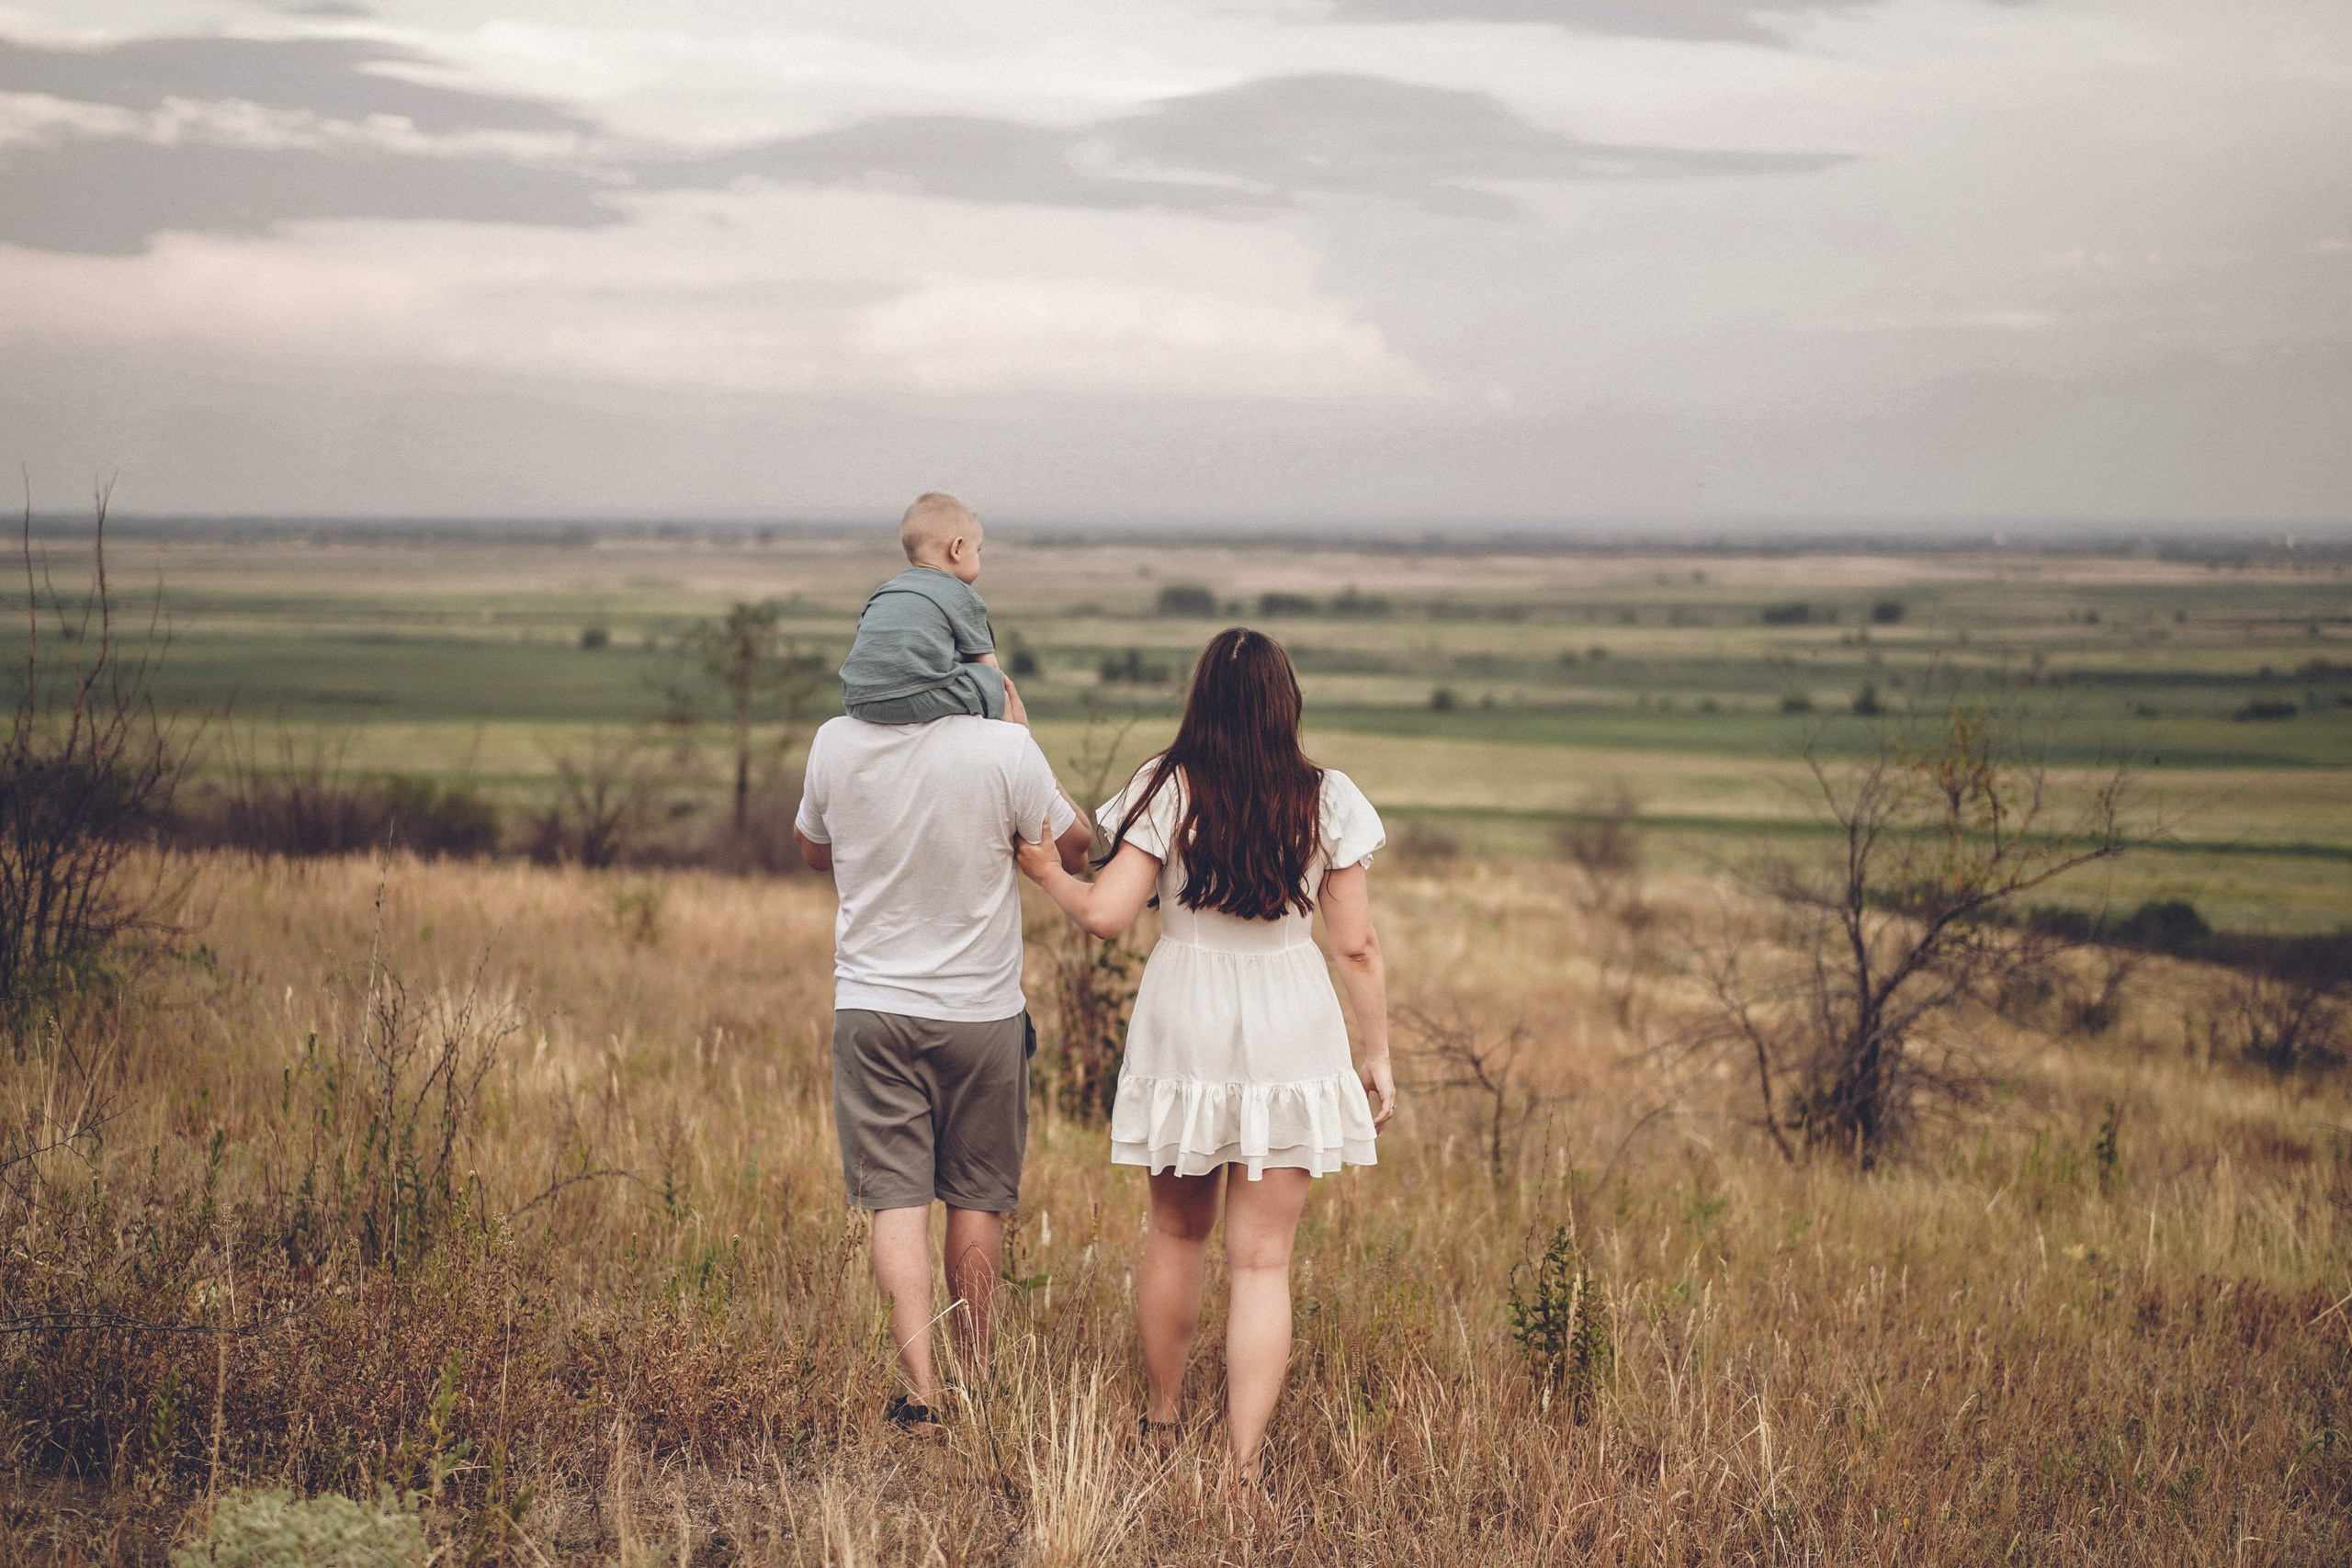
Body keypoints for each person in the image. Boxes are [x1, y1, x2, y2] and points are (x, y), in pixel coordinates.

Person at [1013, 627, 1396, 1483]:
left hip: (1184, 1011)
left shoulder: (1165, 785)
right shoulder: (1328, 798)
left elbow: (1107, 914)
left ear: (1201, 701)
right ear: (1283, 702)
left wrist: (1046, 873)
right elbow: (1359, 945)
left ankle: (1159, 1422)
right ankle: (1244, 1464)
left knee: (1176, 1235)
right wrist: (1376, 1052)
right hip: (1290, 1017)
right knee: (1262, 1260)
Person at [795, 649, 1091, 1438]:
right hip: (981, 1013)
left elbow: (813, 850)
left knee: (895, 1199)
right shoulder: (1004, 746)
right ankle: (979, 1378)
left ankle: (922, 1394)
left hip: (872, 1009)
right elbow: (1079, 849)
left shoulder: (835, 738)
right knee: (976, 1195)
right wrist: (1023, 733)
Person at [836, 491, 1007, 724]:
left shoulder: (884, 592)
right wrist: (1002, 699)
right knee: (988, 680)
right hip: (914, 700)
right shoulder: (962, 595)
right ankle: (1012, 738)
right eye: (977, 551)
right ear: (957, 549)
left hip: (857, 700)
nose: (978, 559)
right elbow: (989, 665)